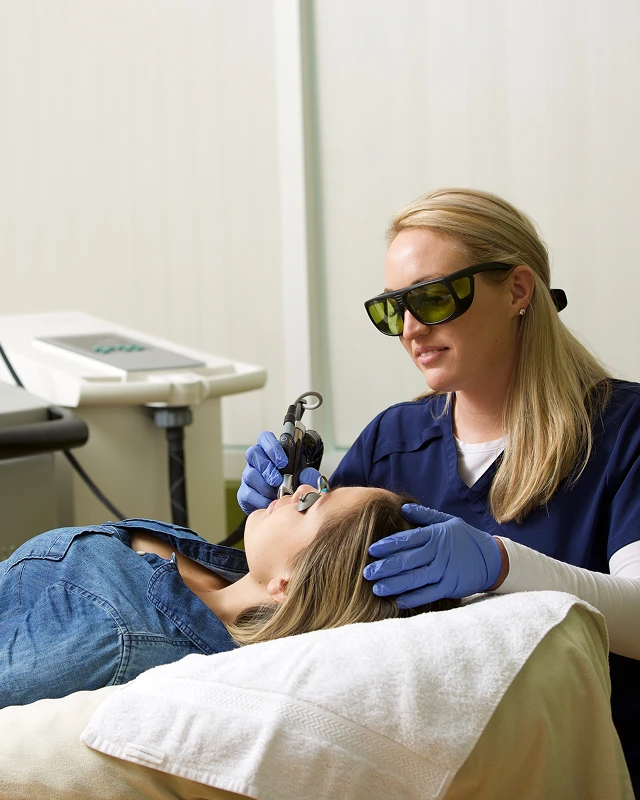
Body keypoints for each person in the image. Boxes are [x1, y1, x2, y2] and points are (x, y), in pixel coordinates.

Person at [237, 187, 640, 791]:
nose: (411, 328)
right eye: (392, 309)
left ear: (519, 290)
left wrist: (503, 566)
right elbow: (303, 597)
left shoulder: (623, 432)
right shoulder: (393, 440)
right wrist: (273, 511)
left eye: (433, 297)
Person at [0, 482, 456, 709]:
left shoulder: (122, 639)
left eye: (309, 503)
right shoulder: (218, 570)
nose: (299, 487)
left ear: (289, 583)